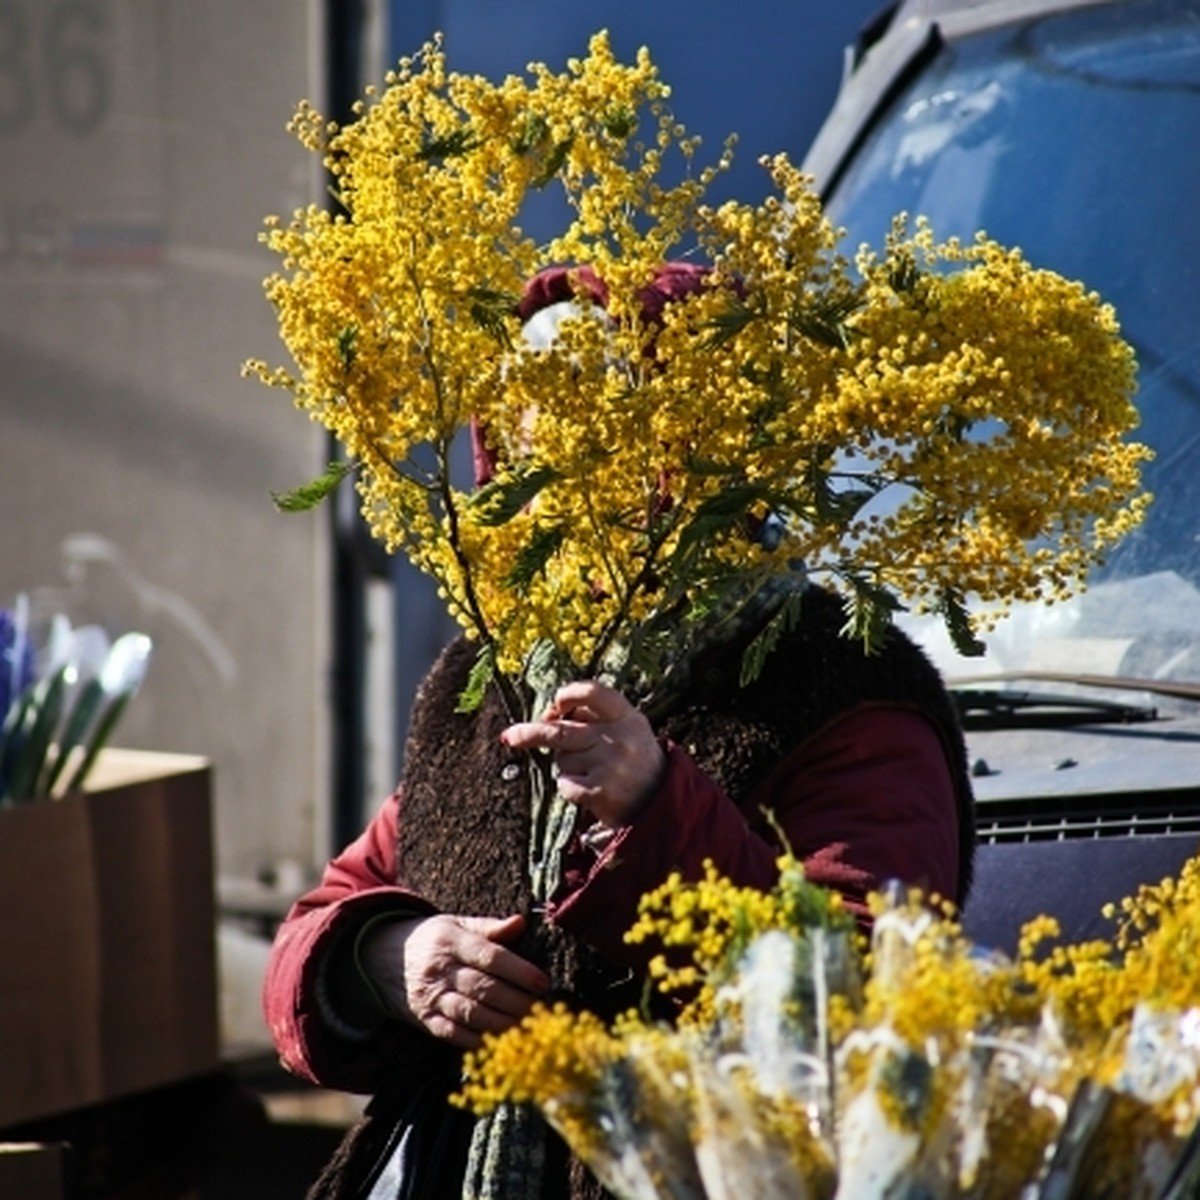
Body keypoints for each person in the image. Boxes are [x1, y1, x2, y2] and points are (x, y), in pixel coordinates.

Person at [262, 267, 977, 1200]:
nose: (539, 438)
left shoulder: (845, 694)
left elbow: (868, 1011)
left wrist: (654, 807)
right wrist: (388, 957)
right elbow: (325, 917)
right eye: (520, 407)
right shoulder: (494, 679)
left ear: (699, 429)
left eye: (590, 401)